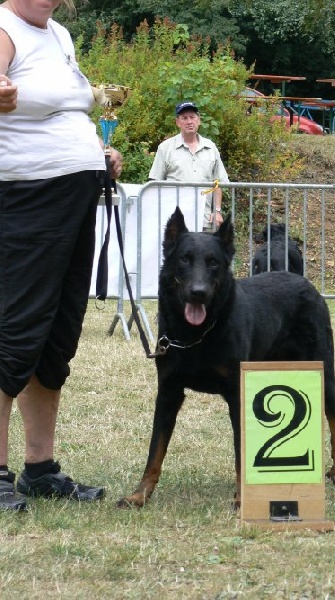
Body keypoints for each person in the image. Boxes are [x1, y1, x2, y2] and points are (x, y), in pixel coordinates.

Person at [0, 0, 123, 511]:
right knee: (15, 331)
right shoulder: (3, 27)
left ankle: (40, 469)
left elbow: (68, 110)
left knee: (55, 336)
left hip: (74, 199)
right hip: (26, 201)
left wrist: (98, 152)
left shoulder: (59, 35)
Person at [149, 101, 229, 231]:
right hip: (175, 221)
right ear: (177, 122)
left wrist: (217, 211)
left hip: (204, 219)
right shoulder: (165, 148)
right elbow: (154, 183)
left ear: (199, 120)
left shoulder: (211, 147)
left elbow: (218, 182)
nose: (189, 121)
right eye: (184, 118)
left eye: (192, 117)